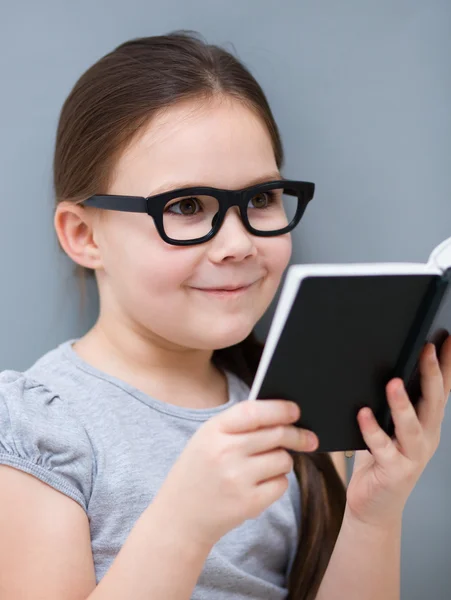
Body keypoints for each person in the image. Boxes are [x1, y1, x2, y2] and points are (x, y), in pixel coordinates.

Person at [0, 31, 450, 600]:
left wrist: (372, 517)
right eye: (186, 207)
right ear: (84, 234)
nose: (237, 243)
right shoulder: (38, 428)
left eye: (260, 199)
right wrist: (182, 526)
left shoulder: (294, 411)